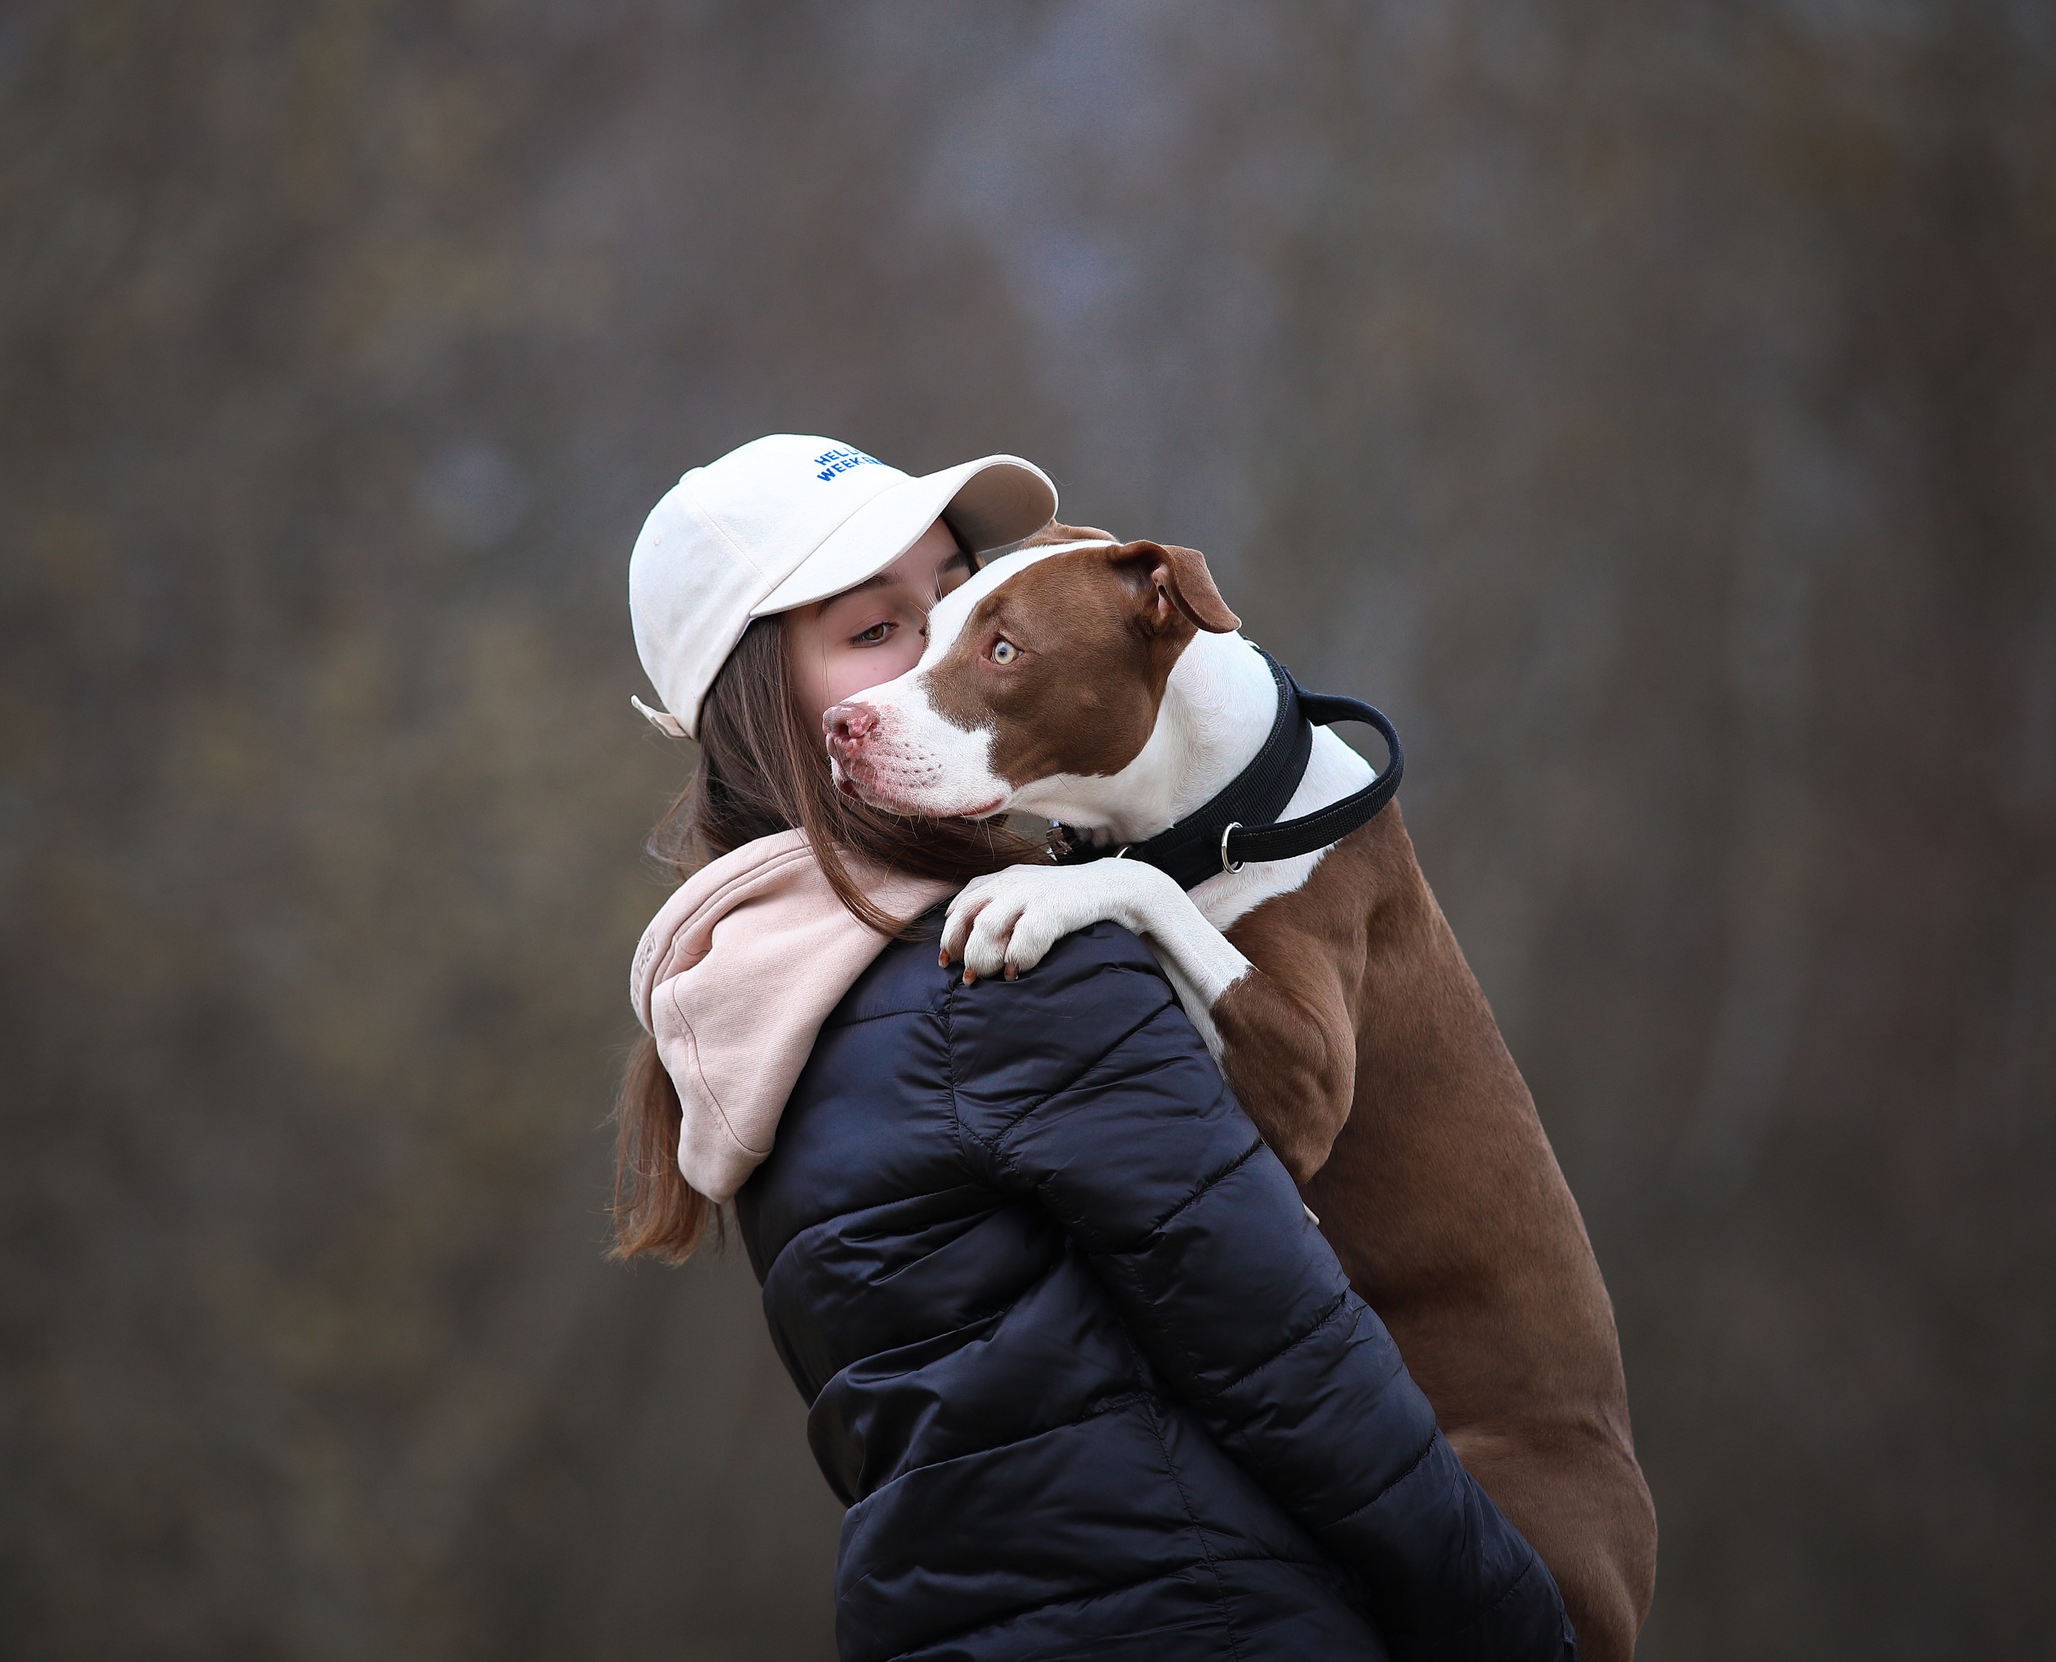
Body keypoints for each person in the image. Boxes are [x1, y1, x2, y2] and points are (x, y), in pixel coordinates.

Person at [615, 434, 1576, 1661]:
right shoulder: (1015, 966)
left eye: (961, 598)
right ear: (765, 707)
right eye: (875, 632)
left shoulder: (761, 1009)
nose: (940, 654)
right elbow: (1299, 1370)